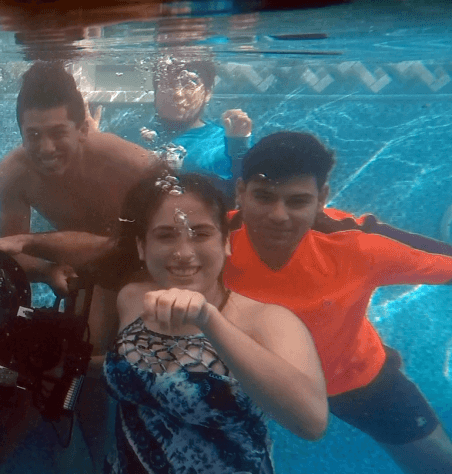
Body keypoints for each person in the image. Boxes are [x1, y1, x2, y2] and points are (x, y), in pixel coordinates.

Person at [225, 131, 452, 474]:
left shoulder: (357, 245)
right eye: (264, 197)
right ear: (241, 193)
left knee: (439, 463)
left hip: (355, 376)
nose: (279, 216)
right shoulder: (211, 240)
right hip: (249, 380)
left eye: (297, 201)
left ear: (321, 199)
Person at [102, 172, 327, 473]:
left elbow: (311, 422)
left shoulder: (268, 320)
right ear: (142, 247)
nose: (183, 253)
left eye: (201, 233)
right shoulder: (132, 299)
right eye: (166, 235)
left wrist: (209, 319)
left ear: (226, 242)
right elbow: (146, 374)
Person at [0, 61, 153, 294]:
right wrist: (47, 270)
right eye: (34, 135)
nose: (46, 148)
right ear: (21, 134)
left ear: (82, 130)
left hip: (143, 267)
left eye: (58, 133)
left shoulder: (130, 163)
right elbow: (12, 250)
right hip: (81, 271)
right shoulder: (15, 174)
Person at [147, 55, 251, 205]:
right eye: (167, 84)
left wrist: (239, 145)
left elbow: (244, 198)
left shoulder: (228, 141)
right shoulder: (131, 135)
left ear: (207, 93)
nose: (178, 94)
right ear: (155, 92)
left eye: (189, 84)